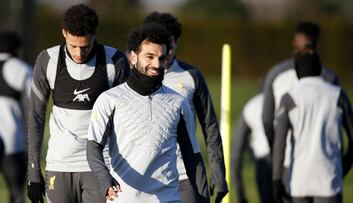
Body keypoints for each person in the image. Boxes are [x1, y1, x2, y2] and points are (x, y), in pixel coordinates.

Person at [86, 23, 209, 202]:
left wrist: (204, 199)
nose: (156, 64)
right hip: (123, 198)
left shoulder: (178, 102)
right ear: (133, 57)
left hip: (168, 198)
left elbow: (193, 158)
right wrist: (105, 180)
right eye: (149, 56)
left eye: (161, 58)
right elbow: (93, 148)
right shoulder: (109, 99)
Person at [27, 4, 129, 203]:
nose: (79, 54)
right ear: (64, 33)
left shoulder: (115, 60)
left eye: (86, 46)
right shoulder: (47, 60)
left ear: (96, 34)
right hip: (59, 164)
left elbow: (128, 119)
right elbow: (35, 117)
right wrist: (32, 172)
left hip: (102, 166)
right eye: (73, 46)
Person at [142, 12, 228, 203]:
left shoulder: (191, 75)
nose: (165, 53)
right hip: (144, 178)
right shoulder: (128, 76)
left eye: (170, 45)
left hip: (185, 175)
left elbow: (210, 126)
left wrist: (218, 172)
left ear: (176, 42)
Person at [261, 22, 340, 202]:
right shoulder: (329, 77)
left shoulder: (275, 73)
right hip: (325, 166)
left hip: (288, 164)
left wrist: (276, 155)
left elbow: (266, 119)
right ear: (316, 47)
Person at [272, 52, 353, 203]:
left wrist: (276, 180)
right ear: (320, 69)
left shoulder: (289, 97)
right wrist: (342, 169)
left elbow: (279, 143)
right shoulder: (338, 95)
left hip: (299, 182)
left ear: (297, 72)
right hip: (329, 180)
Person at [0, 31, 32, 203]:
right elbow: (34, 106)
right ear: (17, 49)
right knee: (17, 194)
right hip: (13, 143)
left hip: (12, 144)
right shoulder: (20, 68)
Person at [231, 93, 274, 203]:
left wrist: (241, 196)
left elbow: (236, 151)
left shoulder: (252, 106)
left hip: (264, 161)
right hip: (289, 159)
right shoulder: (284, 94)